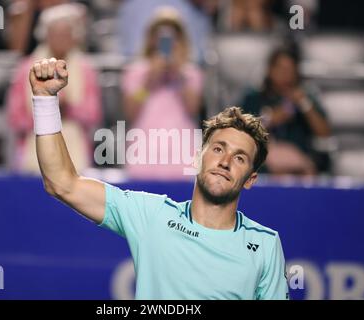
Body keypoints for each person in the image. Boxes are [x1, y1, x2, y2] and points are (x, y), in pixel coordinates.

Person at [28, 57, 289, 299]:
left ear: (250, 179)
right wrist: (44, 100)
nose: (225, 162)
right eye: (218, 149)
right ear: (196, 158)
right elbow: (62, 183)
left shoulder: (265, 244)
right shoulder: (152, 215)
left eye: (240, 158)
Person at [6, 3, 101, 173]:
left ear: (75, 36)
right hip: (32, 150)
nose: (60, 39)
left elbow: (93, 114)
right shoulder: (26, 67)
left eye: (65, 34)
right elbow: (15, 117)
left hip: (76, 150)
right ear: (45, 35)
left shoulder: (86, 69)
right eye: (56, 34)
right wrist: (47, 109)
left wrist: (67, 108)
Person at [122, 7, 203, 180]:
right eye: (160, 35)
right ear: (151, 39)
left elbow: (193, 109)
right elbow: (131, 112)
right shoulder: (136, 71)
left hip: (182, 151)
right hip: (144, 150)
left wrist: (179, 74)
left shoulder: (191, 73)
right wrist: (149, 81)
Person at [240, 48, 331, 175]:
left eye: (290, 70)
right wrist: (271, 118)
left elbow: (324, 134)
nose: (286, 74)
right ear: (270, 70)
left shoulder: (306, 99)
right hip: (263, 166)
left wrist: (304, 105)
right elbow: (241, 130)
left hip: (299, 167)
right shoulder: (253, 98)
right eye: (281, 69)